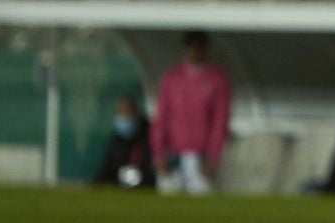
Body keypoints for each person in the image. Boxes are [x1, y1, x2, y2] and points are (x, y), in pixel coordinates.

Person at [150, 30, 232, 195]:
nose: (195, 52)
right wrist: (158, 152)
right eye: (191, 48)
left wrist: (212, 157)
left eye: (199, 48)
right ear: (184, 49)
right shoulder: (172, 77)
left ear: (206, 49)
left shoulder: (216, 79)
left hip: (200, 155)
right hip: (172, 152)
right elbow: (161, 117)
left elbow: (220, 121)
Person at [92, 97, 155, 189]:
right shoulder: (116, 141)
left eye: (127, 112)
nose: (124, 117)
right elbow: (105, 169)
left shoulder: (149, 137)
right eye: (121, 113)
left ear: (136, 113)